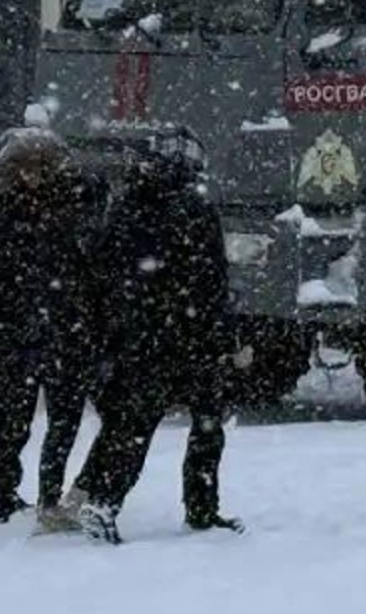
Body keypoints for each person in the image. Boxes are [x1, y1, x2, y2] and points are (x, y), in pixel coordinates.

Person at [56, 133, 241, 546]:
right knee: (206, 424)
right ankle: (200, 508)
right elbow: (211, 277)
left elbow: (102, 271)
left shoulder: (125, 207)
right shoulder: (193, 208)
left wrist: (112, 328)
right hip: (192, 332)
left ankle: (103, 499)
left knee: (135, 423)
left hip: (140, 334)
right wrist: (221, 330)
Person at [0, 128, 97, 524]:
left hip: (29, 331)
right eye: (25, 167)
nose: (33, 176)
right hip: (48, 329)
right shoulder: (69, 206)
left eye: (41, 167)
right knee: (37, 421)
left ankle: (11, 497)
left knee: (15, 422)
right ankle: (29, 497)